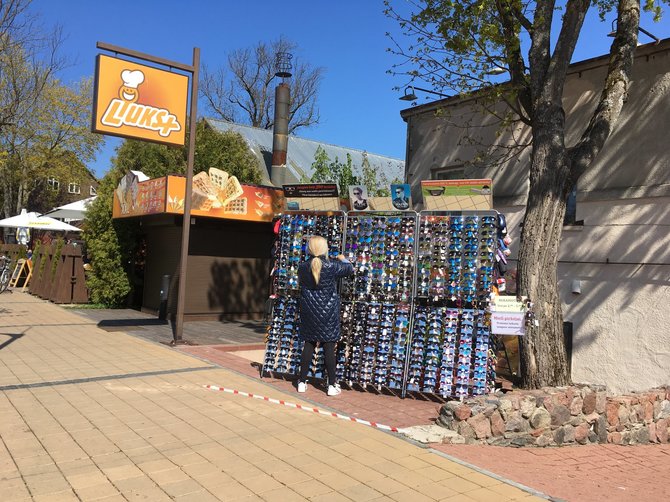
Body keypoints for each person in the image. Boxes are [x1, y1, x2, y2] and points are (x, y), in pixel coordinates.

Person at [297, 235, 354, 396]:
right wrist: (343, 259)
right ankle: (331, 385)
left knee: (308, 344)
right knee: (329, 346)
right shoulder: (331, 266)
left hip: (308, 310)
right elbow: (350, 269)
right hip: (327, 311)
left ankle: (301, 382)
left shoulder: (302, 267)